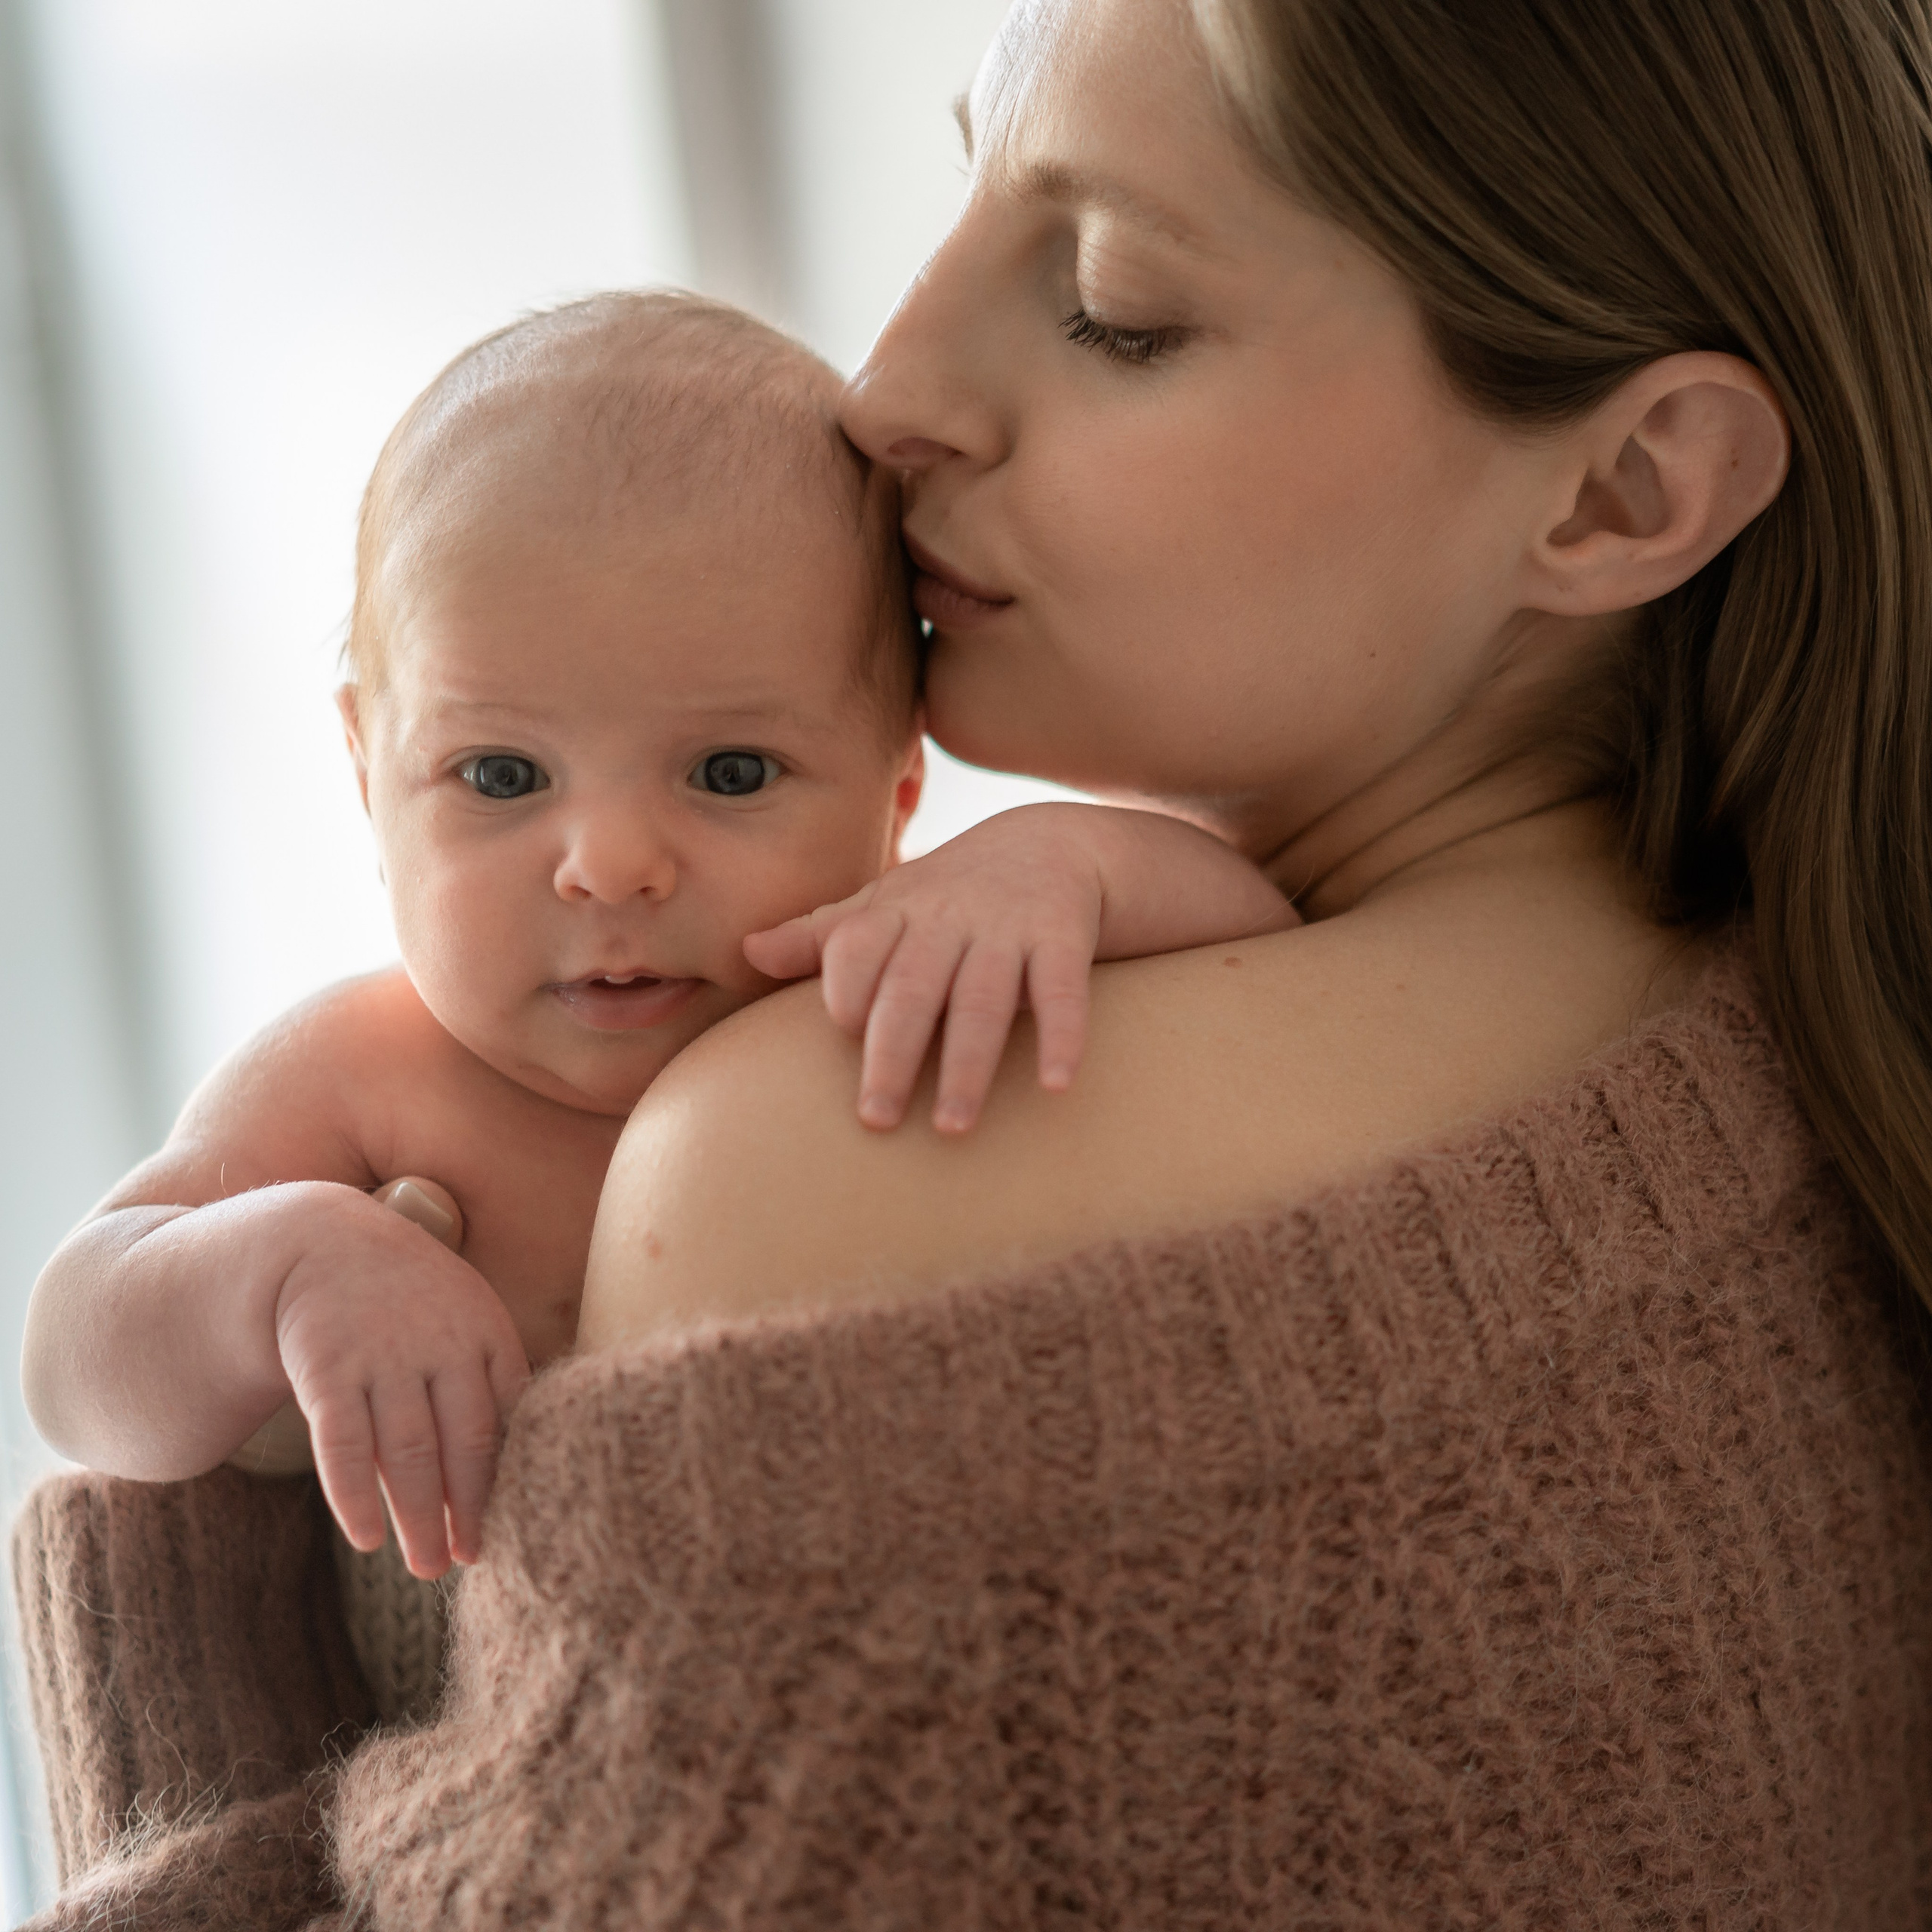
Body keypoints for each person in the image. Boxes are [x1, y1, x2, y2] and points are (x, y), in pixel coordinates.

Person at [318, 0, 1932, 1921]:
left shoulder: (839, 1132)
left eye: (1109, 308)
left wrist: (173, 1537)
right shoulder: (1816, 1060)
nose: (883, 388)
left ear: (1619, 491)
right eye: (965, 199)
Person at [18, 291, 1291, 1596]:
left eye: (731, 771)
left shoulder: (907, 964)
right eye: (502, 775)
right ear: (367, 777)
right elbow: (68, 1361)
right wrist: (281, 1271)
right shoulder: (365, 1078)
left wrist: (1069, 865)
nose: (613, 865)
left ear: (899, 783)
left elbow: (1266, 954)